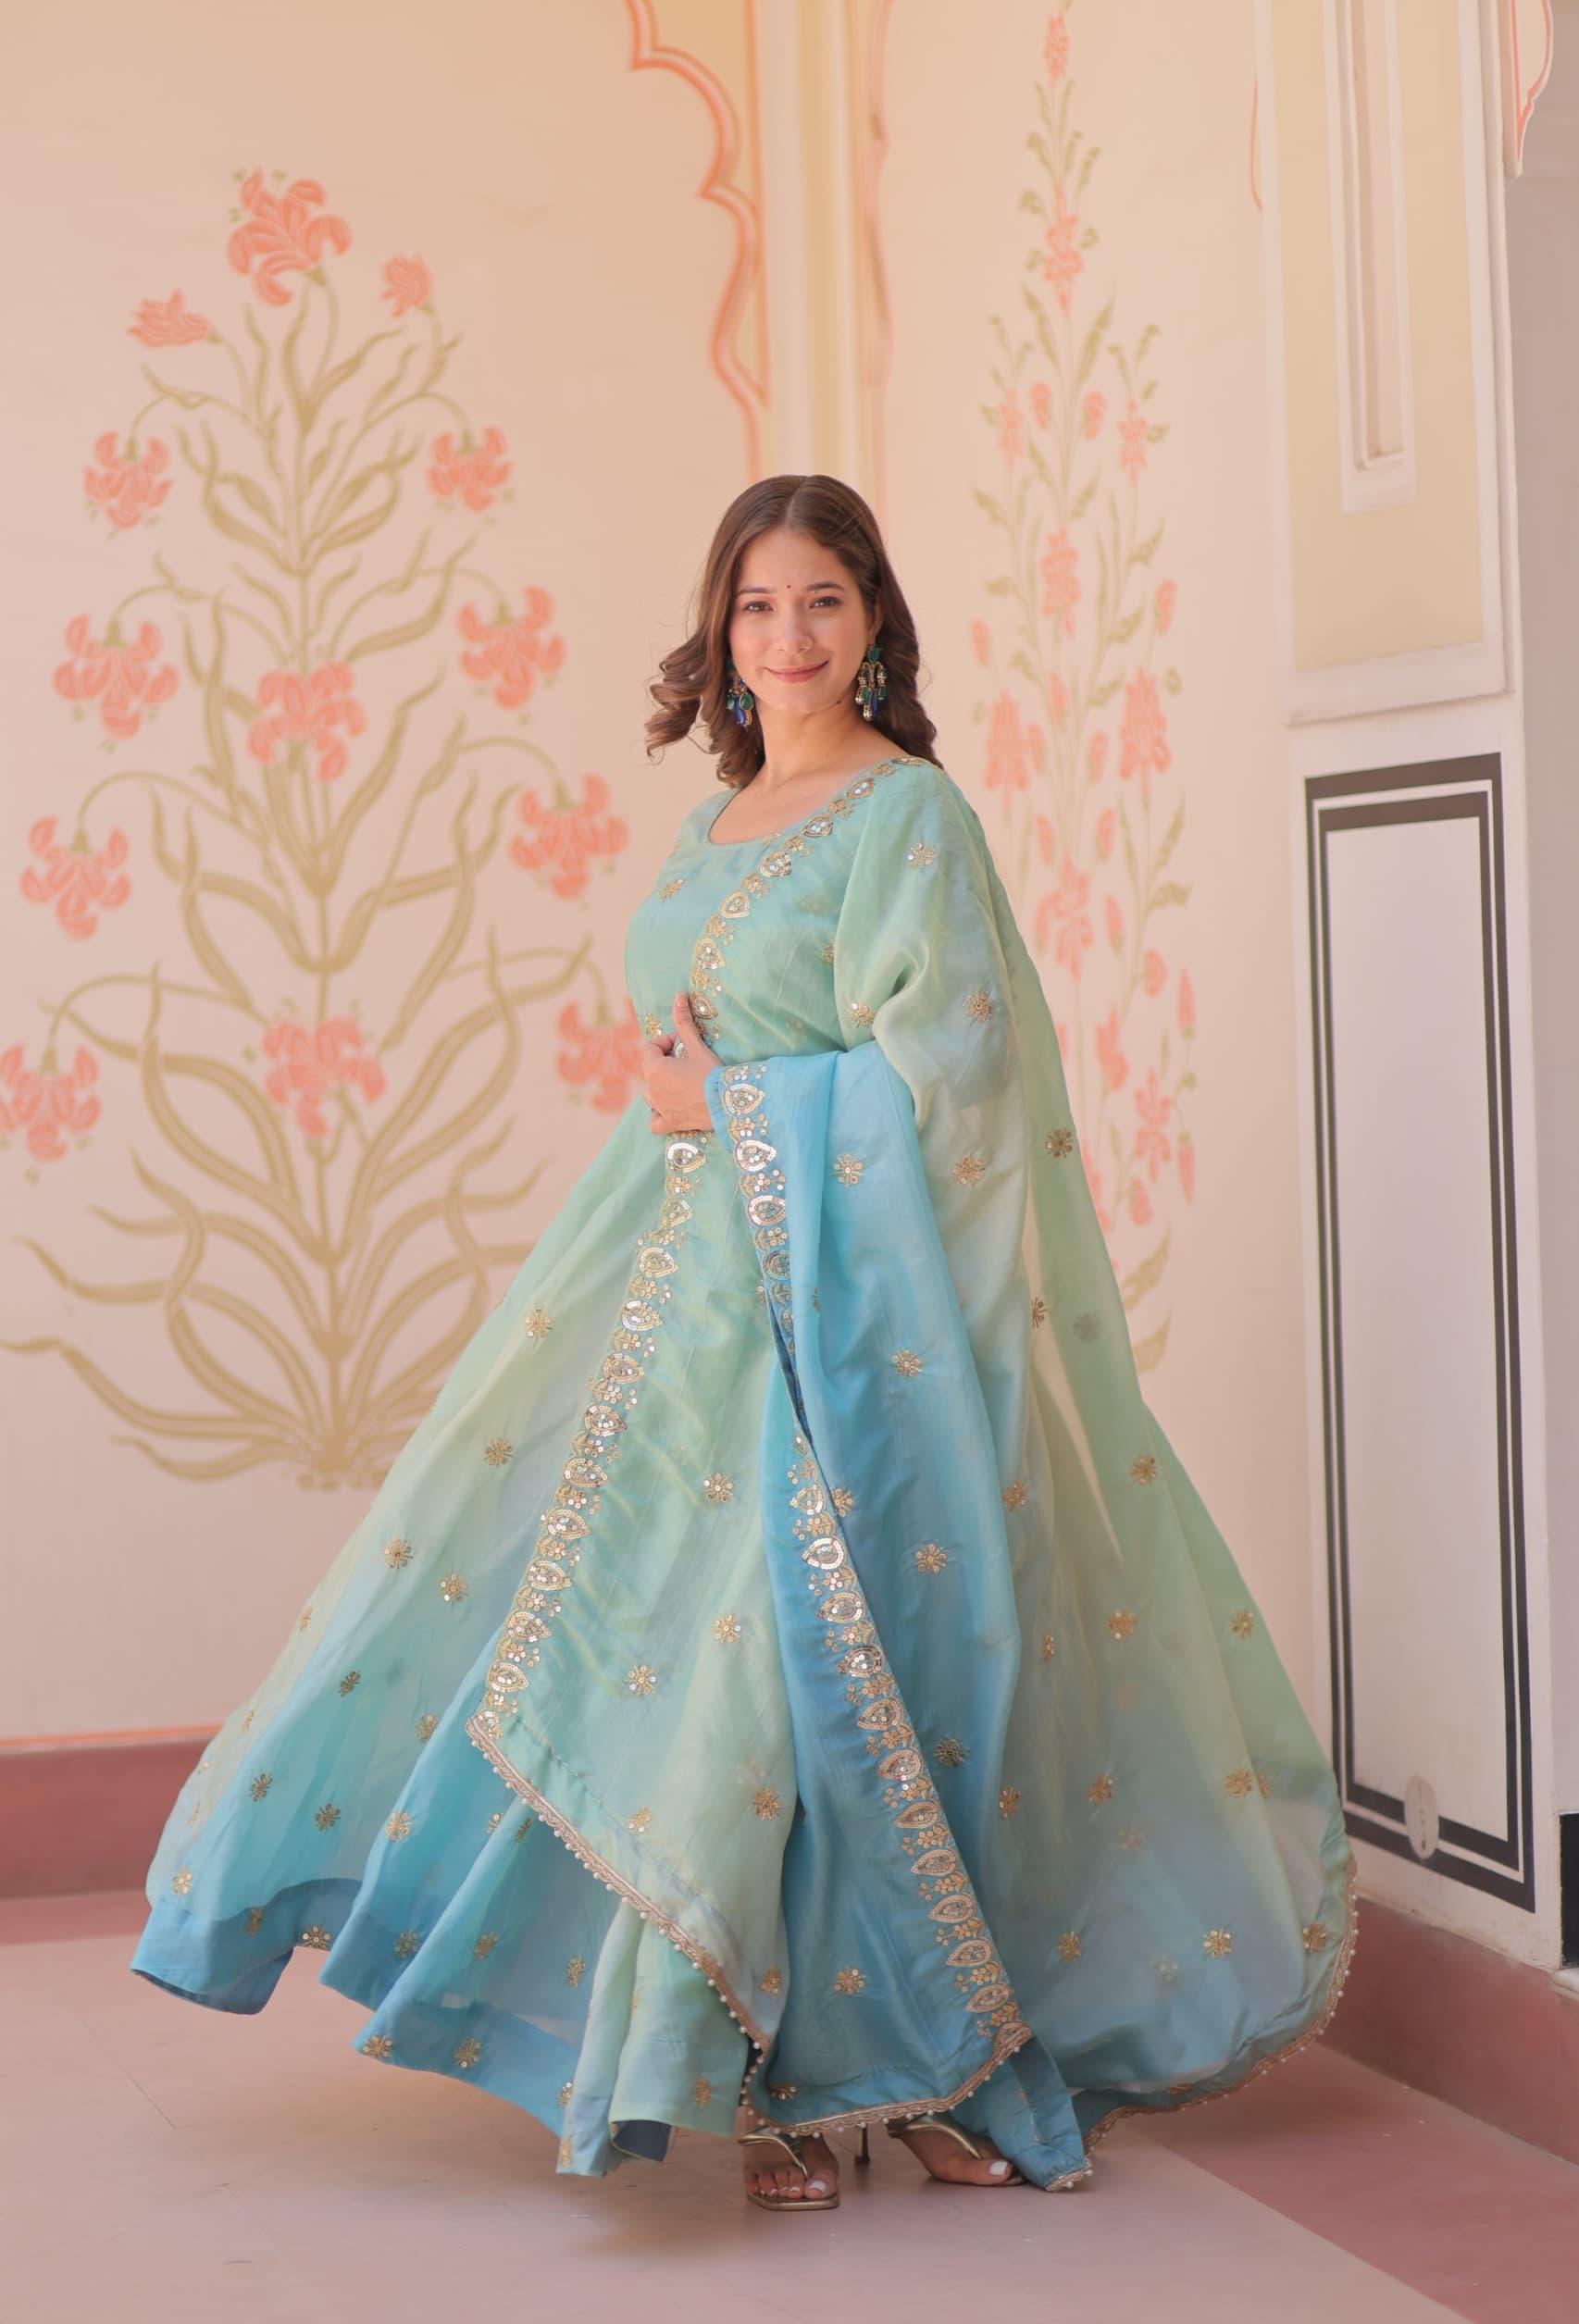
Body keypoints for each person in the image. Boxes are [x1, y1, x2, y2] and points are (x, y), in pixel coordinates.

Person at [131, 473, 1358, 2213]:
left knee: (842, 1677)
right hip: (678, 1296)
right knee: (676, 1679)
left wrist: (735, 1108)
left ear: (875, 625)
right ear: (719, 629)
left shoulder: (905, 815)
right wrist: (700, 1110)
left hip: (851, 1321)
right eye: (760, 604)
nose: (790, 636)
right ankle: (769, 2081)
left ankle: (930, 2064)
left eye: (824, 601)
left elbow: (951, 1081)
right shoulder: (715, 823)